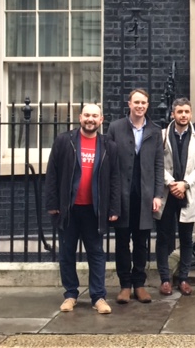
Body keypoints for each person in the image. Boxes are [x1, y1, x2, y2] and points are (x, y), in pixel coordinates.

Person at [44, 103, 120, 315]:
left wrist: (113, 207)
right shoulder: (64, 141)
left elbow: (115, 179)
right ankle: (70, 295)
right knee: (67, 253)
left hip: (94, 210)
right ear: (80, 117)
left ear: (101, 120)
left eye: (95, 116)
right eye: (87, 115)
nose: (90, 119)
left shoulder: (108, 146)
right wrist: (52, 203)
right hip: (68, 209)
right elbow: (52, 173)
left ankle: (98, 296)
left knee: (96, 253)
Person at [107, 89, 163, 304]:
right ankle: (125, 285)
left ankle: (139, 284)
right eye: (136, 102)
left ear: (148, 105)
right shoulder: (115, 128)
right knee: (122, 241)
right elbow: (110, 164)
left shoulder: (155, 131)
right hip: (122, 194)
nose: (140, 106)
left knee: (142, 242)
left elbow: (159, 165)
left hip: (145, 194)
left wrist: (158, 194)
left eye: (144, 102)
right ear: (129, 104)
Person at [154, 97, 195, 297]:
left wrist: (185, 183)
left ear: (191, 114)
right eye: (179, 112)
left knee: (186, 238)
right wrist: (172, 183)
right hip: (167, 193)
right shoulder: (162, 136)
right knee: (163, 237)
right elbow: (157, 163)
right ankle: (165, 279)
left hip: (187, 192)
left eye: (186, 112)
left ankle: (183, 278)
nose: (183, 115)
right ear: (173, 114)